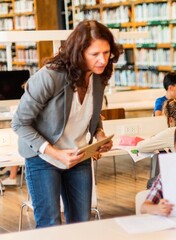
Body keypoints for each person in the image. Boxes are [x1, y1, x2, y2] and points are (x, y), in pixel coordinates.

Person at [11, 20, 120, 228]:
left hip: (79, 156)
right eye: (95, 54)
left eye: (106, 53)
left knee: (81, 223)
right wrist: (55, 153)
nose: (103, 60)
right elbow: (19, 123)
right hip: (43, 158)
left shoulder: (98, 76)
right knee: (49, 224)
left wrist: (99, 135)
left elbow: (90, 112)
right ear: (79, 53)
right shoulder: (50, 76)